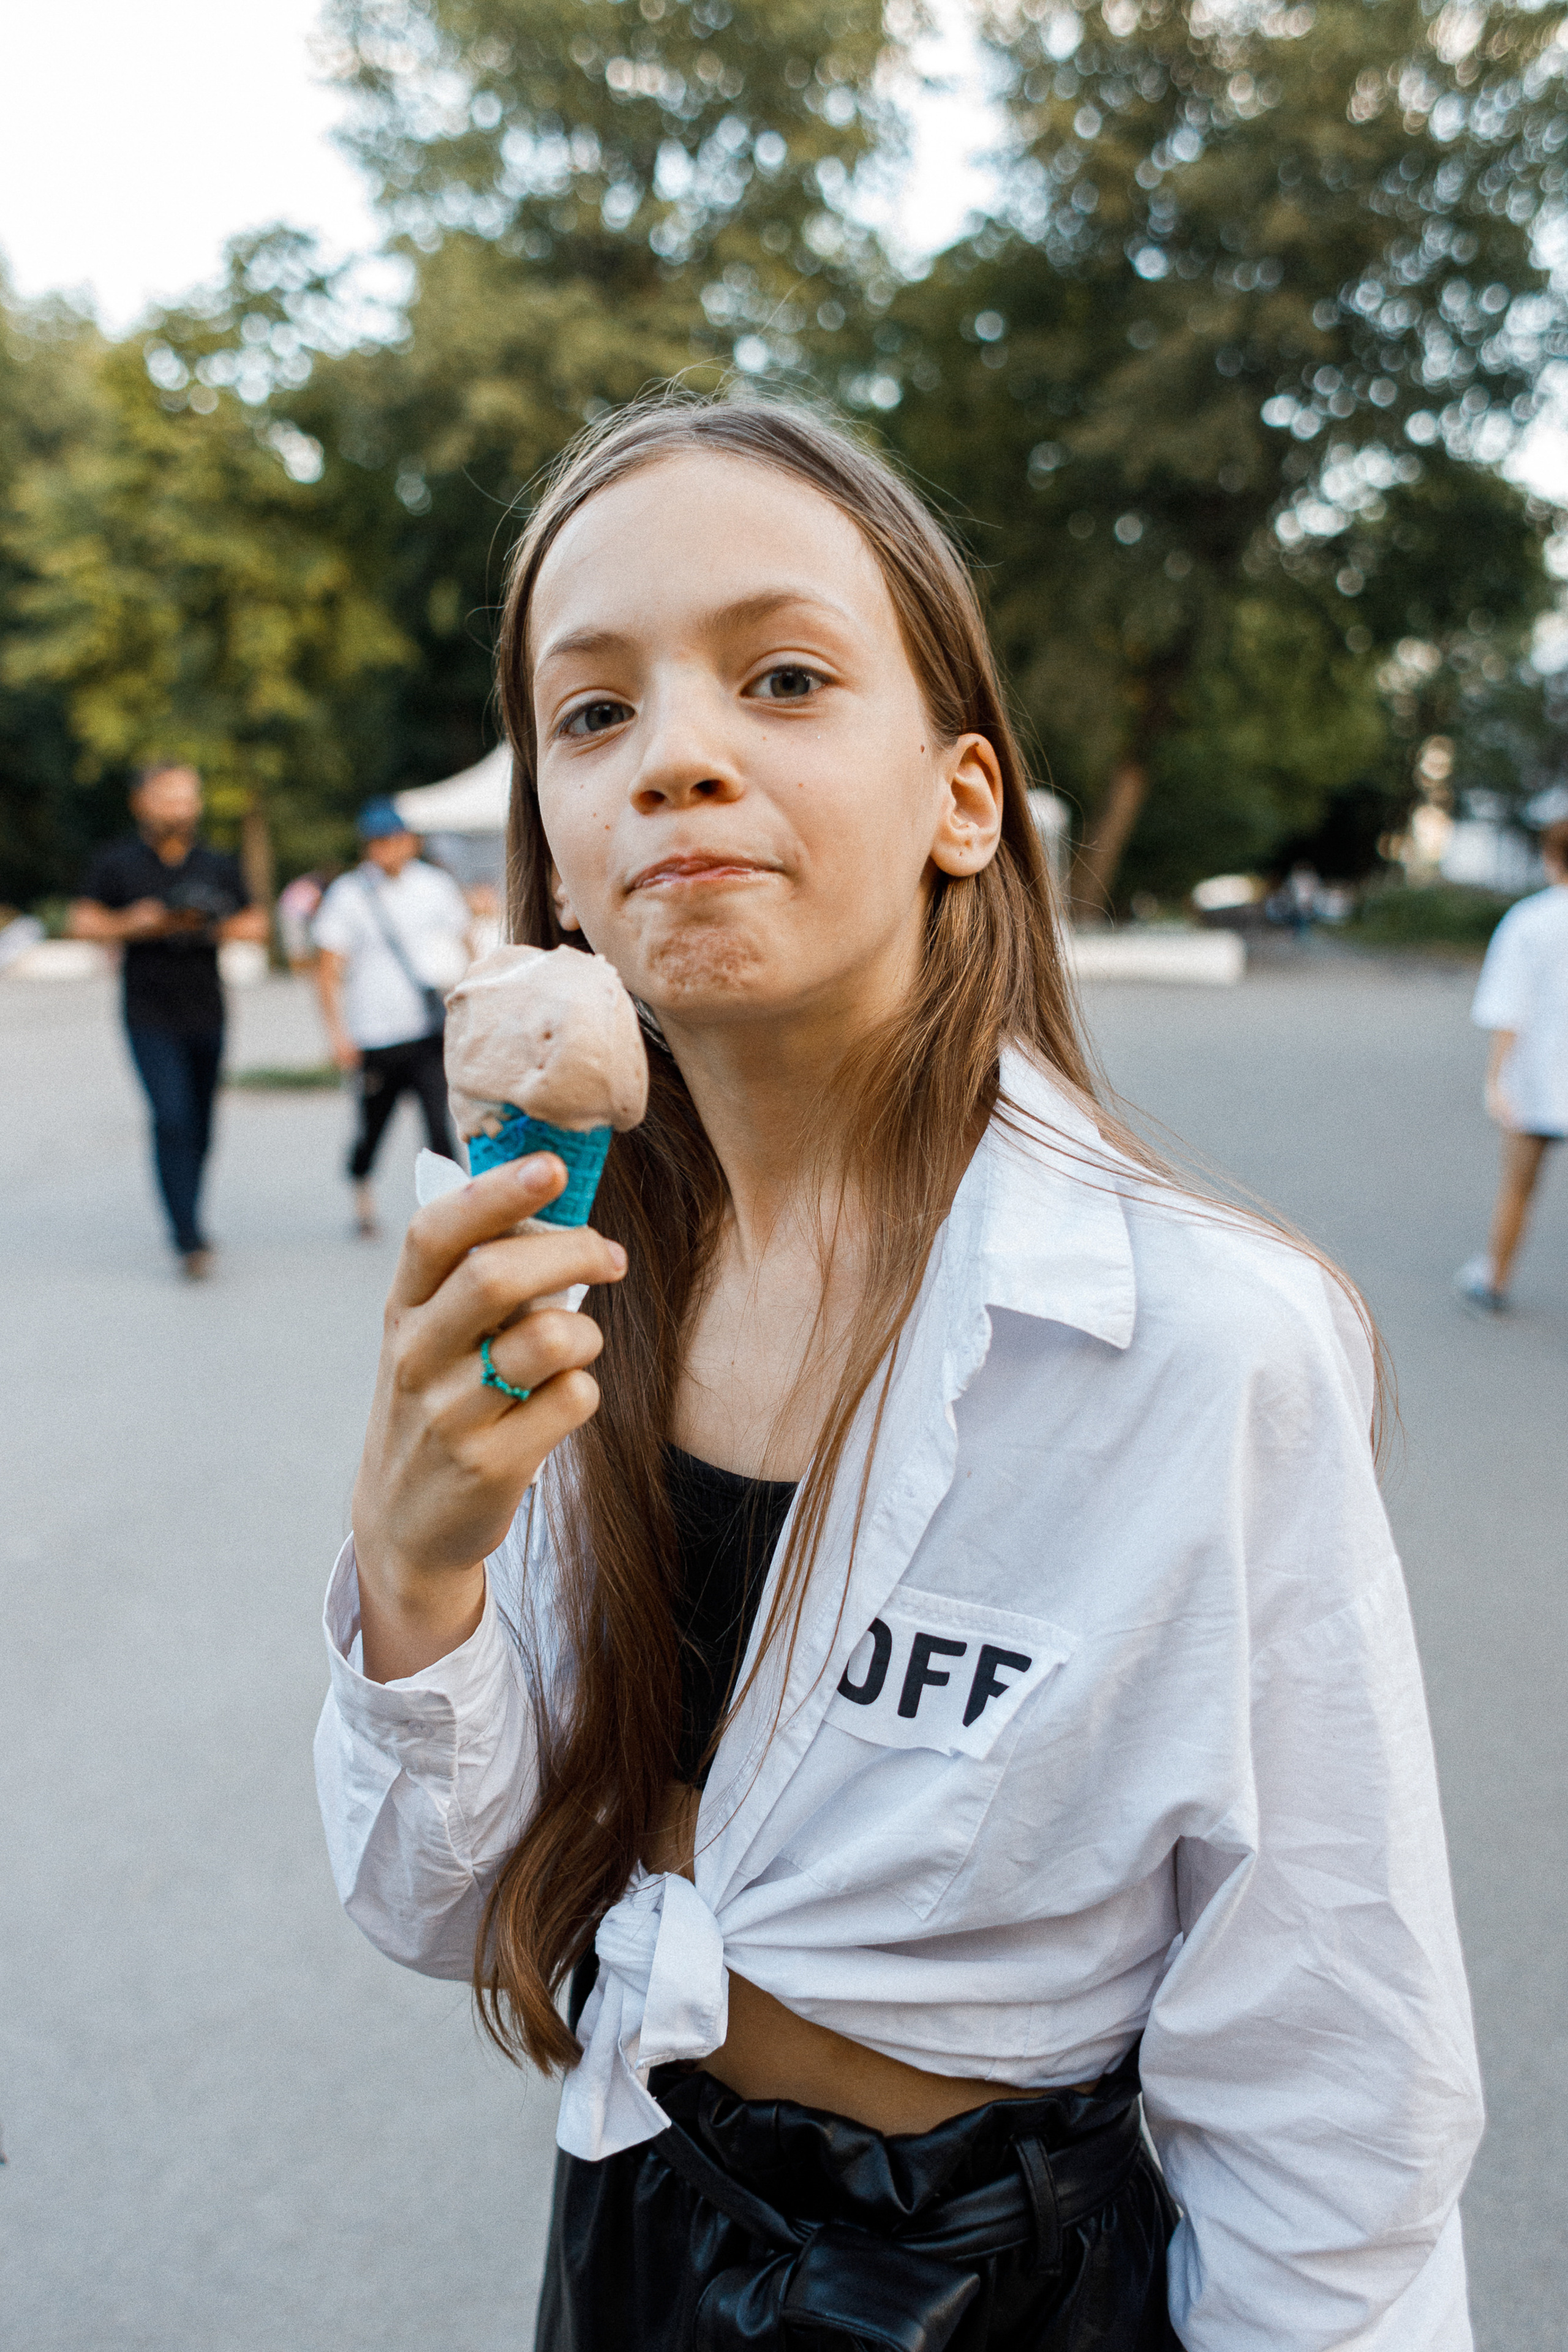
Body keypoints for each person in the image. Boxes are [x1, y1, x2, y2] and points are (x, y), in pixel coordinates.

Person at [313, 400, 1482, 2351]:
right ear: (559, 866)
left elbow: (1332, 2081)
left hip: (997, 2282)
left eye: (782, 678)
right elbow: (437, 1906)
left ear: (963, 801)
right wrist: (417, 1572)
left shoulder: (1206, 1340)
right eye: (591, 714)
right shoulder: (556, 1285)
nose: (675, 755)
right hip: (631, 2216)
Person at [70, 761, 268, 1278]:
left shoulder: (217, 863)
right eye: (170, 797)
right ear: (142, 803)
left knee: (200, 1124)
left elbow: (257, 923)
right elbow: (82, 921)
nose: (182, 808)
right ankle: (188, 1236)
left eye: (189, 797)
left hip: (208, 1012)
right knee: (171, 1117)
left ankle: (189, 1210)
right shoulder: (118, 862)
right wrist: (134, 923)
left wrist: (210, 925)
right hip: (148, 1014)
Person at [311, 801, 473, 1238]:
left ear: (410, 842)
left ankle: (453, 1216)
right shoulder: (350, 893)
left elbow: (465, 940)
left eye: (393, 839)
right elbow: (328, 968)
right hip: (375, 1032)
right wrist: (337, 1034)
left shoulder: (435, 885)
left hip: (427, 1026)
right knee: (373, 1126)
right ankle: (362, 1194)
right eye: (377, 842)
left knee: (439, 1124)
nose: (385, 849)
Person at [1453, 815, 1568, 1313]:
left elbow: (1507, 1008)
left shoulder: (1530, 919)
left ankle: (1494, 1280)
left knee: (1518, 1186)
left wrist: (1495, 1080)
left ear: (1551, 857)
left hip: (1538, 1077)